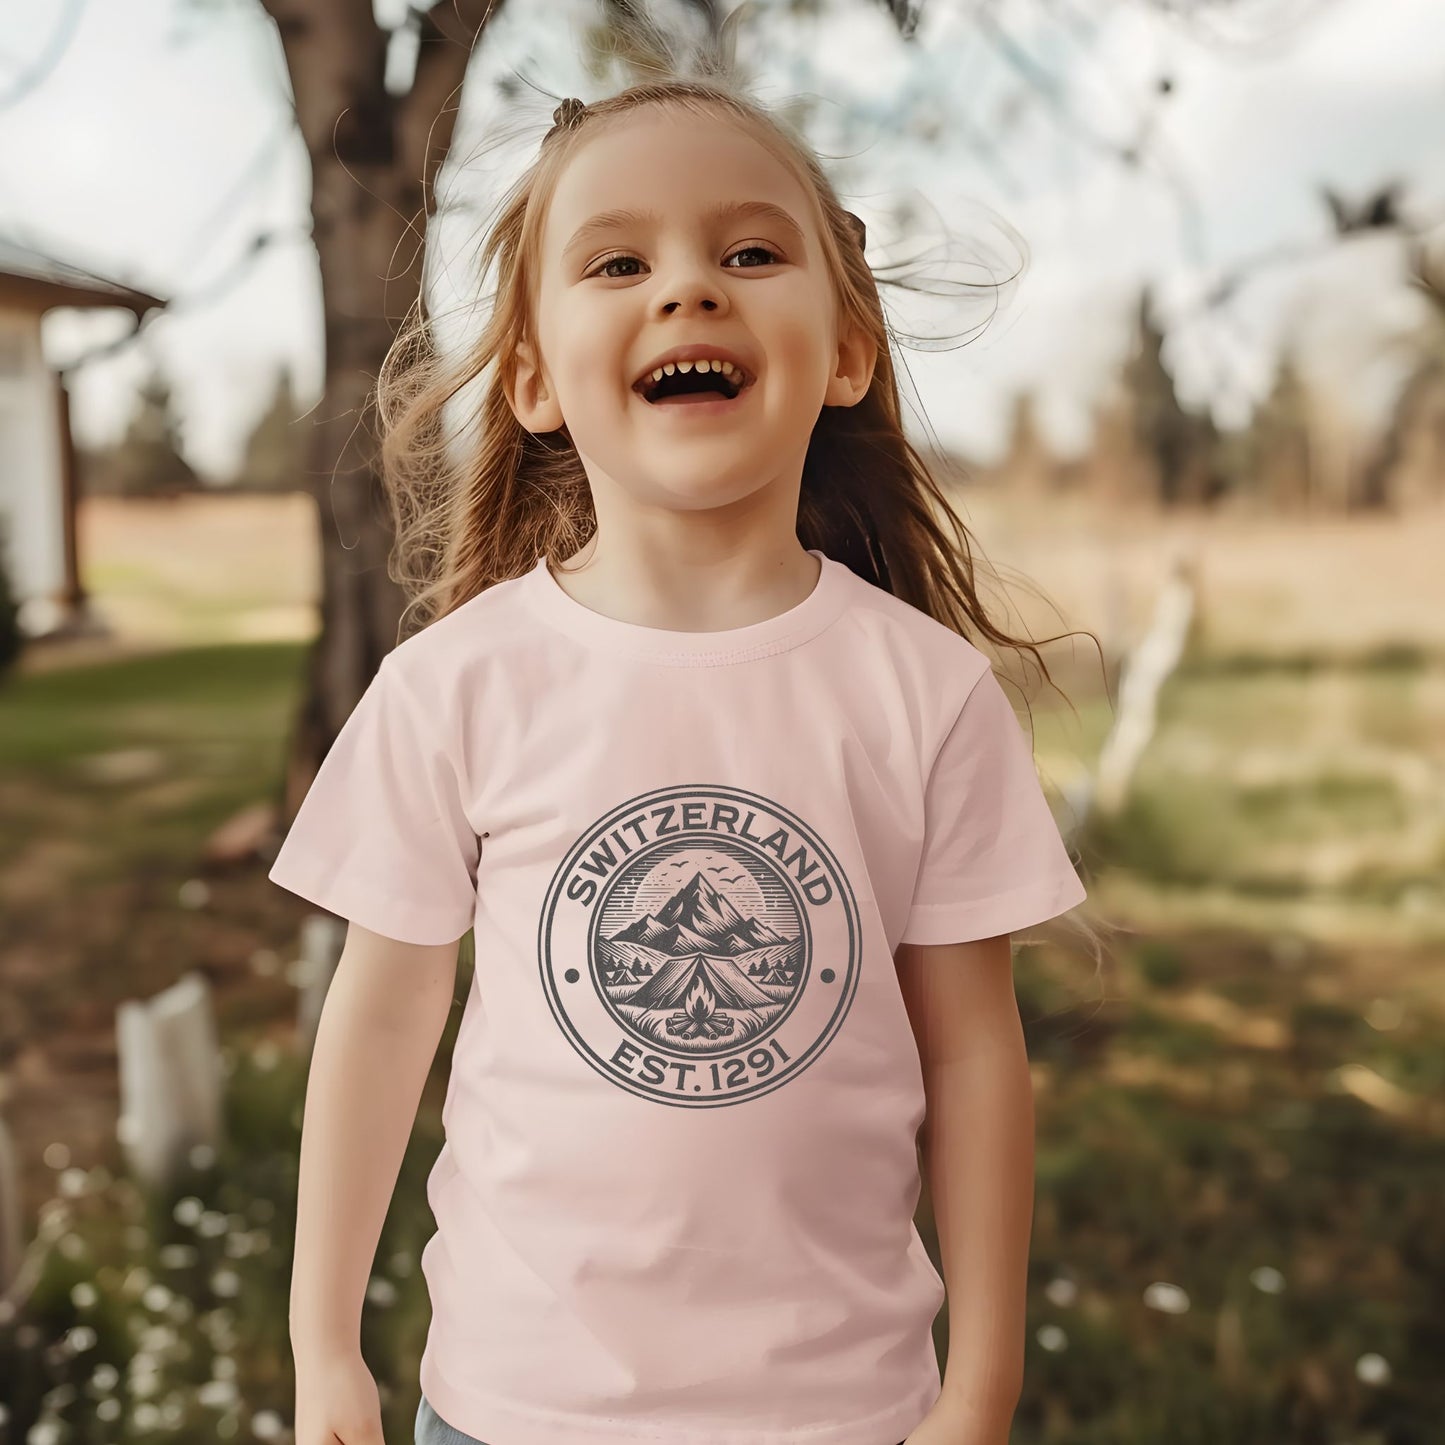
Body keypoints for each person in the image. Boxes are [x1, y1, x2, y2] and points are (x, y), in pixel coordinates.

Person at [272, 71, 1093, 1445]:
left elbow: (973, 1056)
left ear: (845, 350)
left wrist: (980, 1385)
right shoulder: (452, 688)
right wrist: (321, 1344)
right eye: (617, 261)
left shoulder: (929, 695)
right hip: (508, 1408)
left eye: (750, 252)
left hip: (841, 1413)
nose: (688, 290)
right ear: (529, 375)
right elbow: (378, 1023)